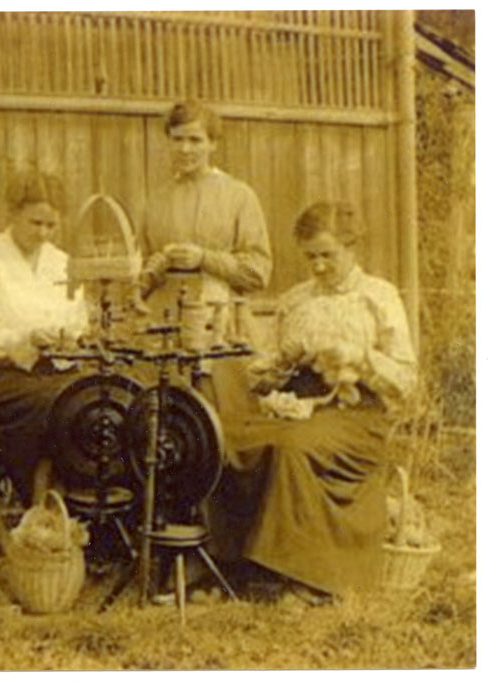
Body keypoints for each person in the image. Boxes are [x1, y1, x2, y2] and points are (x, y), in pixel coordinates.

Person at [208, 200, 417, 604]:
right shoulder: (295, 299)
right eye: (310, 257)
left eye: (327, 255)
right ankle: (231, 565)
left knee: (293, 446)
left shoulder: (378, 296)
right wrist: (277, 361)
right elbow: (261, 376)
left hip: (356, 413)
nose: (318, 266)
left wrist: (359, 355)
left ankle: (303, 577)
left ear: (352, 248)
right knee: (226, 435)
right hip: (297, 406)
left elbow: (407, 380)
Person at [0, 168, 89, 504]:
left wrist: (65, 337)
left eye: (51, 225)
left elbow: (79, 322)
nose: (43, 233)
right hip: (3, 375)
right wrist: (21, 337)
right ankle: (35, 502)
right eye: (35, 223)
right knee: (54, 405)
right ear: (12, 213)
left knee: (98, 398)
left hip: (58, 369)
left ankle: (81, 503)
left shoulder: (63, 264)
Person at [141, 100, 272, 336]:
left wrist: (205, 258)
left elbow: (258, 272)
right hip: (165, 322)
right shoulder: (156, 200)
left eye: (195, 140)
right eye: (177, 139)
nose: (185, 149)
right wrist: (154, 268)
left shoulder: (238, 195)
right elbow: (141, 271)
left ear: (213, 144)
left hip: (221, 321)